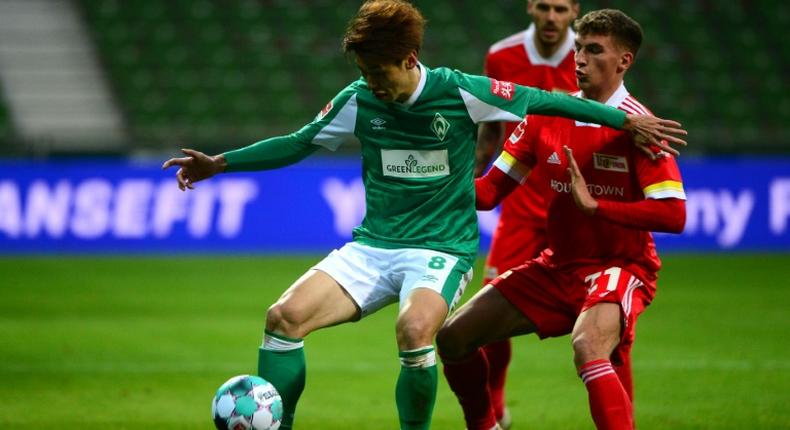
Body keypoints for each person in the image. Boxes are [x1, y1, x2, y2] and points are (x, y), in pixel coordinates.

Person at [162, 2, 686, 429]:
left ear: (409, 59)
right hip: (374, 244)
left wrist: (625, 120)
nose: (373, 84)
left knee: (417, 330)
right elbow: (297, 143)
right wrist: (220, 163)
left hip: (442, 249)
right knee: (282, 318)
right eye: (364, 74)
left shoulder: (460, 91)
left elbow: (547, 102)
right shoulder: (360, 97)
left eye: (379, 72)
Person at [437, 9, 687, 430]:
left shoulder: (639, 126)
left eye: (593, 50)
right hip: (558, 266)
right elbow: (488, 193)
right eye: (578, 49)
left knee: (590, 345)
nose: (580, 59)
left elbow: (674, 214)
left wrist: (597, 207)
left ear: (624, 61)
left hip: (620, 267)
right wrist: (436, 169)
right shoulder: (546, 114)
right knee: (452, 337)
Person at [474, 1, 580, 427]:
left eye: (560, 8)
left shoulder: (590, 54)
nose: (551, 17)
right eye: (543, 6)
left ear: (575, 10)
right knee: (488, 313)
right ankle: (495, 407)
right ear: (529, 7)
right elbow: (489, 125)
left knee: (607, 325)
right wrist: (478, 171)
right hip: (519, 206)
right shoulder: (503, 55)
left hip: (574, 209)